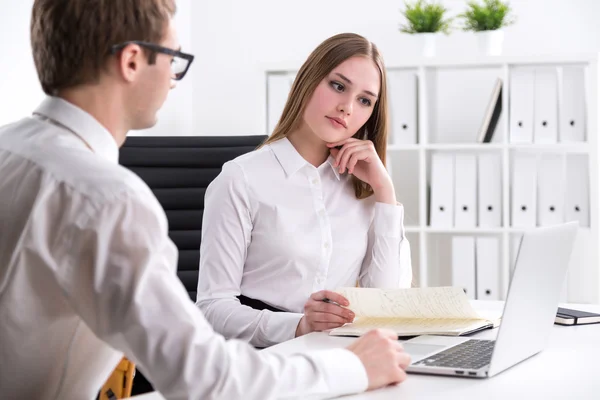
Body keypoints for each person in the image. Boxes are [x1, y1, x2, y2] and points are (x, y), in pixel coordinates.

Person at [0, 1, 412, 399]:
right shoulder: (109, 201)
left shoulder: (9, 151)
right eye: (172, 59)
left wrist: (386, 195)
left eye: (365, 100)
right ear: (131, 62)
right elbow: (203, 376)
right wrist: (355, 367)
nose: (173, 79)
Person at [196, 33, 413, 349]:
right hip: (263, 360)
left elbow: (385, 304)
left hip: (339, 355)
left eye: (364, 100)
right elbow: (212, 309)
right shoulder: (241, 178)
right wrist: (298, 325)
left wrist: (384, 192)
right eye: (338, 86)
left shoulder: (363, 188)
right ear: (308, 81)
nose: (347, 108)